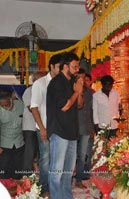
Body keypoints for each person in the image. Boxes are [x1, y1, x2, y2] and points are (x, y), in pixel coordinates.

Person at [47, 52, 84, 199]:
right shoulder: (56, 83)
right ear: (65, 67)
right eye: (74, 67)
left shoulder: (72, 82)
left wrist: (79, 91)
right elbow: (64, 106)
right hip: (59, 132)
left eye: (78, 66)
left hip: (72, 132)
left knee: (68, 172)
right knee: (56, 171)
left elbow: (79, 105)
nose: (77, 69)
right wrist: (76, 92)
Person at [30, 53, 61, 197]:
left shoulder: (63, 83)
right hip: (45, 128)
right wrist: (42, 129)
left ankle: (55, 187)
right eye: (59, 67)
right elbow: (34, 107)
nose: (62, 70)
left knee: (58, 160)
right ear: (52, 67)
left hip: (59, 128)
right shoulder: (40, 83)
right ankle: (44, 189)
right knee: (46, 160)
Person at [22, 71, 46, 174]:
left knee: (41, 152)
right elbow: (31, 108)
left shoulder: (44, 90)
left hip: (42, 127)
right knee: (30, 152)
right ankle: (26, 176)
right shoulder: (29, 91)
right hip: (30, 127)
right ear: (35, 80)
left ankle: (39, 174)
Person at [75, 69, 94, 188]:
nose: (82, 81)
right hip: (71, 128)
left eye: (83, 78)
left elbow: (91, 111)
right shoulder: (70, 90)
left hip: (86, 127)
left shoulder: (90, 92)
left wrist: (92, 128)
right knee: (70, 156)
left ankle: (78, 180)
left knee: (82, 156)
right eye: (79, 78)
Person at [0, 89, 24, 179]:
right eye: (2, 106)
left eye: (6, 105)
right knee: (4, 169)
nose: (4, 107)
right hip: (4, 144)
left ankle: (17, 190)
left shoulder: (20, 105)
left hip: (19, 143)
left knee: (18, 169)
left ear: (10, 99)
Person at [93, 75, 120, 140]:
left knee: (114, 146)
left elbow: (119, 107)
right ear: (102, 84)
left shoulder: (116, 93)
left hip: (114, 125)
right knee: (103, 147)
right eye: (107, 85)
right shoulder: (96, 96)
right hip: (102, 127)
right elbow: (95, 112)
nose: (109, 87)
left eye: (111, 85)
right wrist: (96, 127)